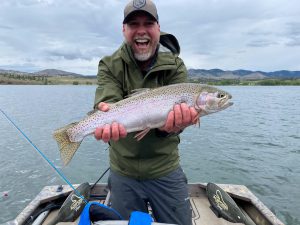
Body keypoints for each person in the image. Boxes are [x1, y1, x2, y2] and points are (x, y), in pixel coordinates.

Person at [93, 0, 198, 224]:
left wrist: (170, 128)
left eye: (148, 23)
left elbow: (173, 123)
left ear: (158, 27)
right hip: (123, 170)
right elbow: (108, 99)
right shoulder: (110, 65)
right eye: (133, 24)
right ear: (124, 30)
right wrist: (106, 112)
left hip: (165, 168)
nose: (141, 31)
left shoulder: (175, 66)